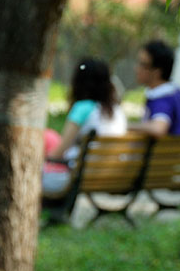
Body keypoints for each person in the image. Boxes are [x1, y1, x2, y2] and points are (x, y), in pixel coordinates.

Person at [42, 57, 127, 193]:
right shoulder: (118, 112)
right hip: (109, 176)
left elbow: (58, 153)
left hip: (76, 178)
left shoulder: (83, 108)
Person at [130, 39, 180, 137]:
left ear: (157, 71)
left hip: (160, 152)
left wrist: (128, 126)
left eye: (143, 65)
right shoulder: (175, 92)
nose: (137, 69)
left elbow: (158, 128)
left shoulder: (163, 97)